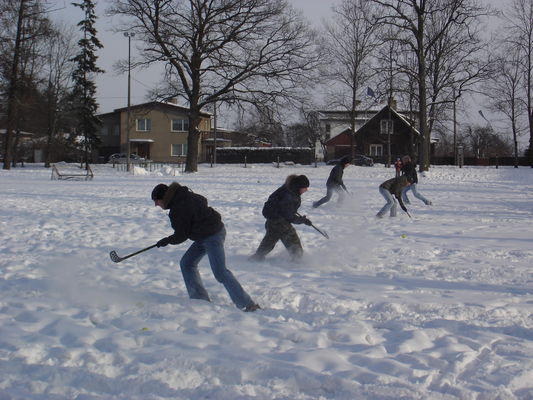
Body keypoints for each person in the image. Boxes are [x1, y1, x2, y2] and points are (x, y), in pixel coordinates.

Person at [152, 182, 260, 312]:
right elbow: (202, 200)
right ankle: (199, 299)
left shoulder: (178, 208)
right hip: (203, 235)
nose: (156, 204)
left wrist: (166, 241)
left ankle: (248, 305)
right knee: (186, 263)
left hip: (213, 235)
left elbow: (181, 235)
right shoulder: (184, 195)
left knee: (220, 272)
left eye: (156, 201)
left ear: (163, 197)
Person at [250, 174, 312, 262]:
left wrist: (300, 218)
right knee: (292, 238)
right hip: (278, 220)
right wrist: (302, 220)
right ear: (298, 186)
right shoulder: (289, 195)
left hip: (273, 219)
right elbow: (289, 216)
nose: (306, 190)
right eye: (304, 187)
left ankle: (258, 256)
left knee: (270, 239)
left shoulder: (290, 190)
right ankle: (298, 259)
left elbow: (287, 210)